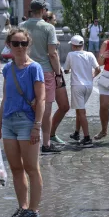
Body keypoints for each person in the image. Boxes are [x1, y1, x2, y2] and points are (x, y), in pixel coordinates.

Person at [0, 28, 45, 217]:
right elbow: (5, 97)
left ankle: (33, 211)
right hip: (9, 122)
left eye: (23, 43)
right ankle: (23, 207)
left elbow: (40, 99)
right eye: (15, 43)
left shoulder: (35, 68)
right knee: (16, 168)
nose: (19, 47)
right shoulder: (8, 68)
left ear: (28, 45)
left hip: (27, 122)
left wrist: (37, 126)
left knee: (31, 168)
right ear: (8, 44)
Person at [19, 0, 62, 154]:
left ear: (31, 10)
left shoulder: (22, 26)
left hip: (26, 69)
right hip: (45, 71)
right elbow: (52, 53)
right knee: (46, 108)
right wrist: (58, 74)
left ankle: (25, 141)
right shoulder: (48, 27)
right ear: (43, 10)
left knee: (28, 106)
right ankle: (46, 144)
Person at [64, 35, 101, 147]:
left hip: (77, 86)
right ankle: (76, 132)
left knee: (81, 112)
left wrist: (69, 70)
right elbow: (98, 69)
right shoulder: (90, 54)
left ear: (73, 46)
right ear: (82, 45)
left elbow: (66, 70)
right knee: (79, 110)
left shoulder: (71, 55)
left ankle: (87, 138)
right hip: (88, 86)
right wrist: (92, 76)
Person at [43, 11, 69, 145]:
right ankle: (43, 139)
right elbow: (51, 54)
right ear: (48, 19)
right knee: (44, 108)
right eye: (54, 19)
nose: (56, 21)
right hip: (49, 73)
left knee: (64, 106)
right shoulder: (46, 30)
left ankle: (51, 134)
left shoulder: (51, 32)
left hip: (57, 72)